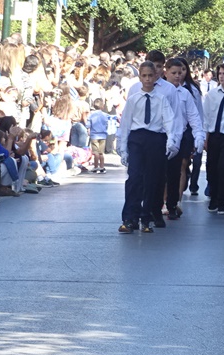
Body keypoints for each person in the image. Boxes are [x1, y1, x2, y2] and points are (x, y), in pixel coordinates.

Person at [117, 61, 178, 234]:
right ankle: (129, 218)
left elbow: (168, 120)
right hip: (137, 138)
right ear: (139, 77)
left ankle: (147, 217)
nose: (147, 79)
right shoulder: (133, 99)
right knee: (134, 177)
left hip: (155, 138)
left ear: (156, 76)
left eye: (150, 75)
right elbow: (126, 123)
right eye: (144, 75)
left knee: (152, 179)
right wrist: (123, 147)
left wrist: (171, 140)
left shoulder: (161, 99)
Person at [163, 58, 204, 221]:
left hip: (179, 138)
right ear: (166, 73)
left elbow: (193, 116)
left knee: (175, 172)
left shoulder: (186, 93)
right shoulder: (160, 91)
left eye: (180, 73)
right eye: (173, 73)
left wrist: (199, 135)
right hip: (161, 137)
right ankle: (158, 204)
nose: (177, 76)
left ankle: (173, 204)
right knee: (159, 174)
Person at [203, 62, 224, 214]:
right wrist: (205, 136)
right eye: (220, 73)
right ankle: (214, 197)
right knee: (212, 167)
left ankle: (222, 200)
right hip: (214, 134)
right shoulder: (212, 94)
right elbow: (206, 115)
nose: (221, 76)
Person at [87, 98, 109, 173]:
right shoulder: (105, 115)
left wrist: (88, 130)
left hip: (94, 135)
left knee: (95, 152)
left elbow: (88, 125)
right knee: (101, 152)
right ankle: (102, 166)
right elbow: (107, 124)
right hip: (103, 135)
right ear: (102, 106)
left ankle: (96, 166)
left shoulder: (91, 115)